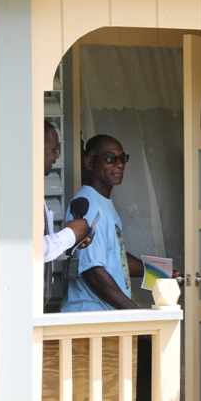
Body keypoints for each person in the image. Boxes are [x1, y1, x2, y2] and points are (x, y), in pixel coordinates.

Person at [60, 134, 145, 312]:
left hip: (101, 318)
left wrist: (161, 272)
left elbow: (114, 256)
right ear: (89, 163)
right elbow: (93, 271)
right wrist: (134, 312)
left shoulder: (101, 201)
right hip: (90, 318)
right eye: (110, 158)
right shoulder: (88, 205)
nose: (120, 164)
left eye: (122, 158)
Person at [44, 121, 91, 307]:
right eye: (53, 149)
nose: (57, 155)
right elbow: (27, 251)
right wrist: (70, 235)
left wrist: (73, 243)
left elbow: (42, 249)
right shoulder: (20, 194)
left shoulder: (35, 192)